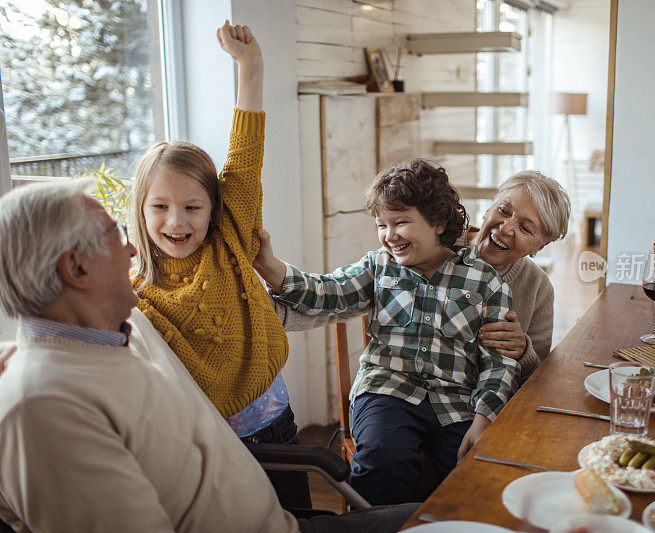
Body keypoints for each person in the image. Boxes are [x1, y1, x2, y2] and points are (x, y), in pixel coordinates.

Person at [0, 179, 418, 532]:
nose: (133, 252)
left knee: (443, 518)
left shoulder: (104, 340)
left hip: (279, 521)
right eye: (118, 235)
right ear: (76, 269)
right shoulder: (46, 407)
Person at [256, 158, 521, 505]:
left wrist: (485, 418)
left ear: (438, 222)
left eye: (401, 222)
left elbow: (499, 361)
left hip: (457, 402)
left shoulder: (485, 281)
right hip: (386, 390)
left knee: (471, 479)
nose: (389, 236)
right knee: (383, 459)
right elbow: (326, 292)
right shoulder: (378, 267)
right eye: (382, 225)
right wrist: (269, 266)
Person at [129, 21, 308, 507]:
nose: (176, 222)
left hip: (274, 424)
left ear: (215, 208)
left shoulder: (228, 235)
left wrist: (250, 66)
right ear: (141, 210)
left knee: (296, 519)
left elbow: (244, 155)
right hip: (204, 447)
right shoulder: (133, 291)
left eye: (192, 207)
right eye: (160, 207)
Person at [470, 170, 570, 380]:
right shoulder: (434, 246)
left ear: (540, 246)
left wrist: (523, 351)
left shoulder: (538, 287)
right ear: (489, 206)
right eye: (503, 210)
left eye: (525, 228)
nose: (505, 228)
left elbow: (539, 377)